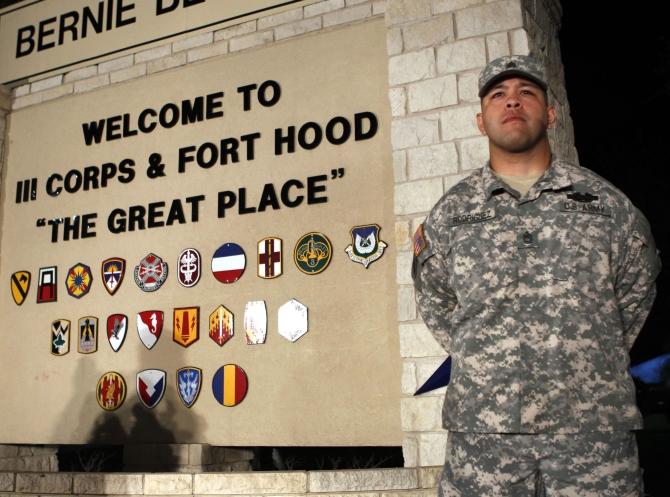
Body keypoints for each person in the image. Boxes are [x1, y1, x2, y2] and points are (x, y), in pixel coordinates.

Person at [412, 55, 661, 497]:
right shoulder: (451, 214)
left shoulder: (605, 204)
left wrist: (588, 357)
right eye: (498, 95)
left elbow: (637, 289)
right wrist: (489, 359)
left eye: (526, 92)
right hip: (486, 433)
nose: (512, 102)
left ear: (549, 114)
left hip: (592, 430)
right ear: (480, 120)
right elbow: (436, 299)